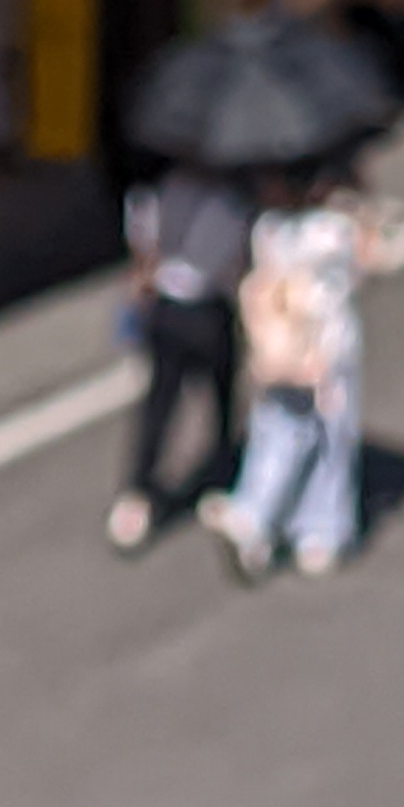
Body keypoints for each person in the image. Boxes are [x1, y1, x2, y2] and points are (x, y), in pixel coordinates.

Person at [203, 166, 372, 580]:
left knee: (275, 433)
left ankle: (256, 517)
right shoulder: (332, 229)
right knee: (331, 442)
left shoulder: (270, 230)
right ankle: (319, 533)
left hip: (281, 351)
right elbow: (370, 260)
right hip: (329, 349)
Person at [108, 156, 251, 549]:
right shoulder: (229, 202)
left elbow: (142, 246)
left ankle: (138, 491)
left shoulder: (161, 191)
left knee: (159, 401)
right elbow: (234, 262)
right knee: (221, 395)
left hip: (166, 310)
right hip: (209, 310)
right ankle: (223, 476)